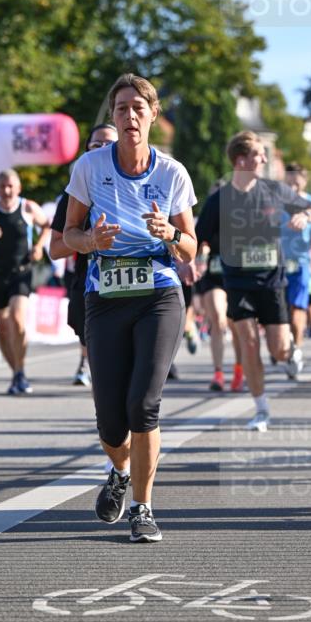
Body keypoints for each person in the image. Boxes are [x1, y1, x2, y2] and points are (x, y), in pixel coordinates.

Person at [64, 73, 197, 543]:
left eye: (139, 108)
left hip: (159, 295)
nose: (130, 116)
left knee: (143, 406)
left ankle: (143, 507)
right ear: (113, 117)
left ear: (153, 115)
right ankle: (118, 472)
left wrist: (171, 235)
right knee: (110, 421)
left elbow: (192, 248)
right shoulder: (89, 168)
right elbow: (66, 239)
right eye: (121, 108)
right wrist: (90, 240)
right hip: (105, 298)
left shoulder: (172, 173)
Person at [194, 131, 311, 432]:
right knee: (249, 344)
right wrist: (193, 260)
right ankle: (261, 409)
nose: (264, 159)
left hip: (272, 281)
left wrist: (305, 217)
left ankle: (291, 351)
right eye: (259, 154)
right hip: (237, 283)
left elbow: (310, 208)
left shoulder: (274, 190)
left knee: (277, 350)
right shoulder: (219, 200)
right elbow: (197, 238)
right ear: (241, 160)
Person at [0, 169, 50, 395]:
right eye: (2, 186)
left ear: (18, 188)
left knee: (17, 318)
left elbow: (47, 225)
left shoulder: (28, 208)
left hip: (21, 272)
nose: (6, 191)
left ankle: (21, 370)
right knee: (2, 328)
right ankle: (16, 372)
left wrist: (39, 246)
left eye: (10, 186)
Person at [50, 123, 119, 387]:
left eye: (110, 145)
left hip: (138, 289)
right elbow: (55, 249)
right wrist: (88, 239)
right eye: (96, 145)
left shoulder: (141, 186)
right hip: (90, 286)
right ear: (85, 153)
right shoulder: (74, 195)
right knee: (106, 376)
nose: (103, 150)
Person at [194, 180, 243, 393]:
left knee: (236, 326)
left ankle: (240, 370)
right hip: (213, 276)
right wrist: (201, 254)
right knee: (218, 319)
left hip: (237, 278)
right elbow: (198, 241)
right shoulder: (207, 222)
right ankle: (218, 373)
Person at [280, 163, 311, 369]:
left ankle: (296, 350)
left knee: (298, 309)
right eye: (289, 184)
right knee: (280, 312)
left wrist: (307, 216)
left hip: (300, 264)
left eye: (297, 184)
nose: (293, 189)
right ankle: (283, 343)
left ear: (304, 182)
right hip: (276, 264)